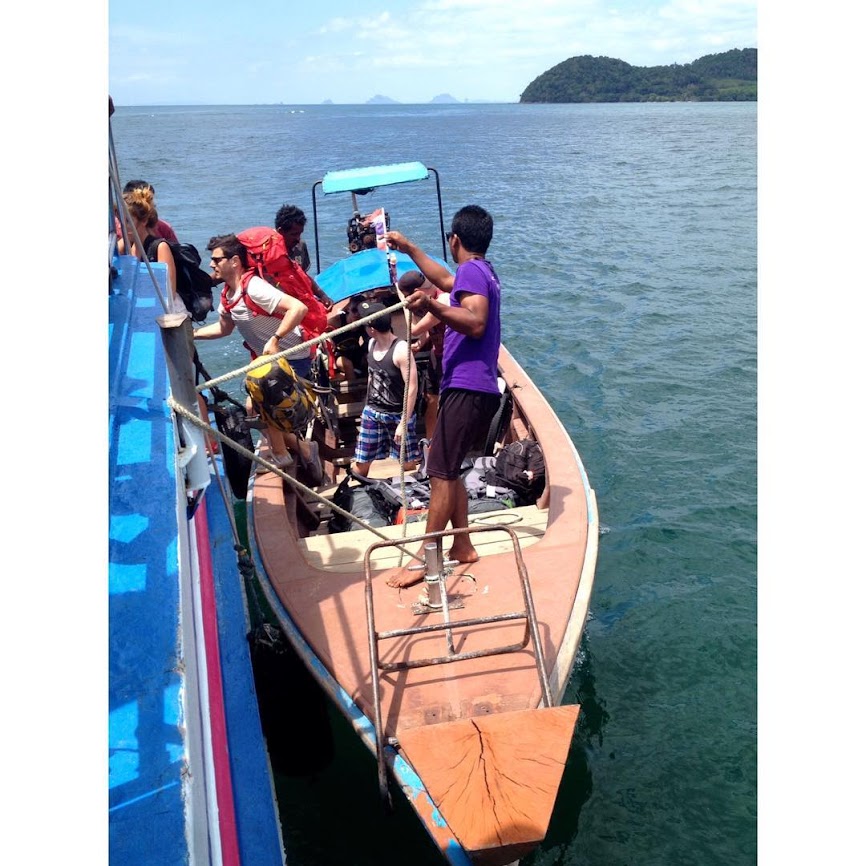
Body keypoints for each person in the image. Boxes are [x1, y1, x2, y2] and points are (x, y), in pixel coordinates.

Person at [385, 205, 501, 587]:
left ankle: (425, 560)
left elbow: (476, 322)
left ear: (455, 239)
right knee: (449, 471)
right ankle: (462, 544)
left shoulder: (473, 273)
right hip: (474, 388)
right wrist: (409, 247)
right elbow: (446, 280)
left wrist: (431, 304)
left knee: (438, 472)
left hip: (467, 386)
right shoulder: (480, 271)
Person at [193, 234, 322, 481]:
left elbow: (298, 308)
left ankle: (282, 455)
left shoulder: (255, 288)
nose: (211, 265)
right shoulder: (229, 294)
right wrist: (192, 335)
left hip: (292, 354)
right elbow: (224, 328)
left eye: (216, 259)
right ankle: (304, 449)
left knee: (260, 403)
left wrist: (275, 339)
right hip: (269, 361)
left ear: (234, 261)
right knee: (254, 406)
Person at [352, 301, 420, 477]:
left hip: (398, 414)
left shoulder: (401, 350)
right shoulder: (370, 345)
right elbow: (371, 378)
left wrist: (403, 423)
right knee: (361, 463)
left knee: (408, 464)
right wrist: (366, 406)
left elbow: (412, 388)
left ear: (372, 329)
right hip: (373, 412)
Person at [398, 270, 449, 439]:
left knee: (446, 402)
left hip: (450, 358)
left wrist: (406, 305)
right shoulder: (431, 298)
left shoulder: (442, 300)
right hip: (437, 354)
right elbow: (429, 328)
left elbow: (414, 330)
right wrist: (419, 345)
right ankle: (430, 441)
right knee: (430, 399)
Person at [119, 187, 185, 315]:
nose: (123, 226)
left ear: (143, 221)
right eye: (121, 221)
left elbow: (169, 291)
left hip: (171, 315)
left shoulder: (160, 247)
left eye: (128, 221)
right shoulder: (133, 246)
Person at [274, 204, 333, 311]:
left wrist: (322, 295)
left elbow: (303, 275)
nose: (298, 238)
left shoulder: (300, 246)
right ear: (280, 231)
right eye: (294, 234)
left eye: (300, 234)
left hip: (300, 302)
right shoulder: (269, 254)